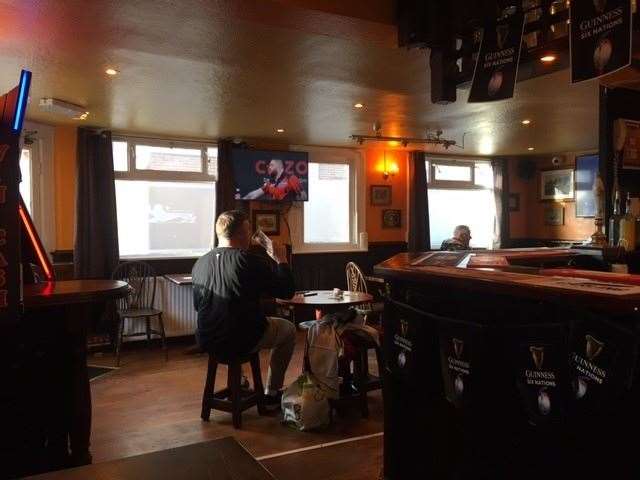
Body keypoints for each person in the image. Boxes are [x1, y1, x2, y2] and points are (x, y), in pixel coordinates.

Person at [192, 210, 296, 405]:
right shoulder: (249, 261)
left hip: (207, 338)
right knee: (288, 330)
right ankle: (272, 393)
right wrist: (281, 259)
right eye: (248, 231)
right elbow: (286, 291)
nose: (250, 237)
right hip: (242, 339)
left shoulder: (200, 263)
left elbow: (199, 306)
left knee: (231, 321)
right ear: (241, 234)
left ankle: (238, 381)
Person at [243, 158, 307, 201]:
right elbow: (253, 194)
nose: (269, 167)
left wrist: (297, 195)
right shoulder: (270, 183)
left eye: (271, 165)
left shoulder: (291, 178)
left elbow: (304, 197)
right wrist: (243, 198)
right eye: (269, 166)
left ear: (279, 167)